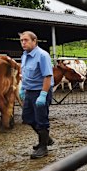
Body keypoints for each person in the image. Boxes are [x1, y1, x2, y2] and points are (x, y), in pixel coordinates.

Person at [19, 31, 54, 159]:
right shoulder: (24, 55)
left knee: (41, 120)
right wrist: (22, 88)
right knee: (27, 117)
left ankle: (43, 147)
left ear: (34, 41)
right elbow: (25, 73)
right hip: (29, 91)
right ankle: (46, 139)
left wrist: (43, 95)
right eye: (22, 40)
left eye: (26, 40)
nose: (23, 43)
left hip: (41, 91)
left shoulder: (42, 55)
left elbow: (47, 76)